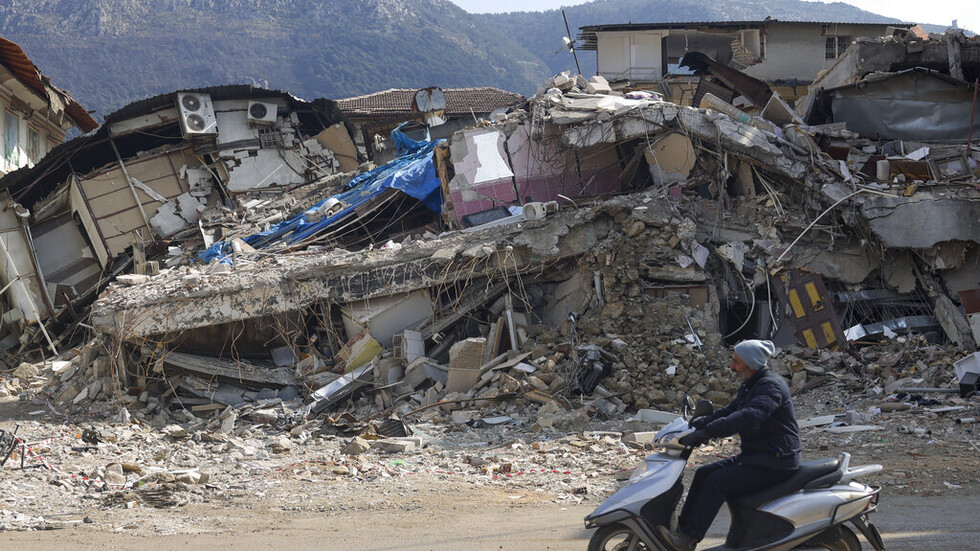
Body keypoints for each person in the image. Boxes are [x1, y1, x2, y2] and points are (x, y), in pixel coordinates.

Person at [656, 339, 801, 551]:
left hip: (775, 459)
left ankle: (689, 539)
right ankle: (683, 532)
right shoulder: (752, 384)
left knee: (717, 481)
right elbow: (730, 411)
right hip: (758, 455)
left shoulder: (770, 387)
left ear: (750, 364)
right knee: (703, 473)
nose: (732, 367)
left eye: (735, 362)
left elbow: (747, 416)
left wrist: (709, 432)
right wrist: (700, 424)